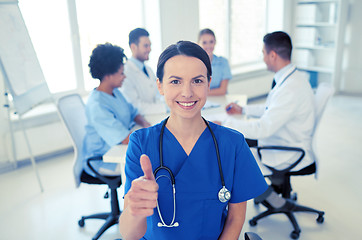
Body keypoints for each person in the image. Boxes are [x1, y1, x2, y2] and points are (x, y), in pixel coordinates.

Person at [119, 41, 268, 239]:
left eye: (197, 81)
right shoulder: (141, 143)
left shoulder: (233, 145)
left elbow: (235, 219)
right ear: (160, 86)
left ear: (208, 83)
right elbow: (129, 235)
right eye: (175, 81)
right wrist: (135, 211)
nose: (187, 92)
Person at [223, 31, 316, 172]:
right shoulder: (291, 79)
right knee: (238, 140)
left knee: (231, 155)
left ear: (272, 55)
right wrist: (244, 110)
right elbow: (271, 108)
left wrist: (225, 124)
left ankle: (268, 195)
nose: (263, 58)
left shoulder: (290, 89)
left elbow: (263, 128)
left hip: (286, 150)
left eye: (263, 53)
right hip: (280, 137)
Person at [82, 43, 151, 177]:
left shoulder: (114, 92)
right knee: (151, 166)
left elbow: (133, 112)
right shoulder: (97, 105)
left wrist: (145, 124)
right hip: (106, 159)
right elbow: (124, 139)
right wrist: (151, 137)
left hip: (120, 149)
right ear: (108, 76)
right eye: (121, 73)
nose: (124, 77)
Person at [120, 28, 166, 115]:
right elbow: (135, 106)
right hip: (142, 120)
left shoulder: (149, 70)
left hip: (156, 115)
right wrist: (164, 107)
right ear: (133, 47)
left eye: (150, 45)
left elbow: (158, 94)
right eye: (146, 46)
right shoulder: (125, 72)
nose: (149, 49)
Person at [198, 28, 232, 96]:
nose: (208, 46)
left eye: (211, 42)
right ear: (198, 44)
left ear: (215, 42)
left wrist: (201, 93)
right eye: (204, 42)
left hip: (220, 100)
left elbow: (222, 90)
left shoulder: (223, 62)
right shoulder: (194, 64)